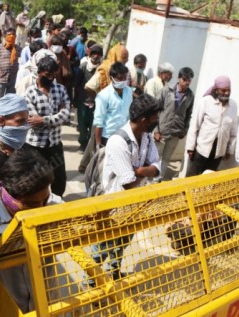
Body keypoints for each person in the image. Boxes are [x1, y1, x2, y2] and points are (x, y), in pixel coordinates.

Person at [0, 148, 62, 316]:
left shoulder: (50, 204)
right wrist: (12, 230)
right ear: (11, 198)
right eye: (33, 203)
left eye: (45, 199)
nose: (42, 208)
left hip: (42, 308)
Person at [90, 93, 161, 282]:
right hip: (114, 204)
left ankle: (113, 272)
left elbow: (157, 165)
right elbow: (128, 182)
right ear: (145, 120)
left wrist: (142, 170)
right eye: (155, 119)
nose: (157, 122)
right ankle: (90, 281)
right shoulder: (118, 141)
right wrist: (147, 171)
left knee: (123, 241)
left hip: (133, 204)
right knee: (103, 245)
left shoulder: (146, 137)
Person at [22, 57, 70, 197]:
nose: (51, 78)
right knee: (34, 181)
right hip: (35, 145)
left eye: (54, 75)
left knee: (59, 181)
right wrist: (56, 117)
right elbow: (33, 123)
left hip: (54, 144)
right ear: (40, 72)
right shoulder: (30, 92)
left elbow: (66, 115)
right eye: (48, 75)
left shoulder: (60, 89)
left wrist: (43, 120)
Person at [79, 44, 130, 172]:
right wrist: (99, 98)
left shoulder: (125, 76)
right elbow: (88, 86)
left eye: (127, 57)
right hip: (104, 119)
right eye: (124, 57)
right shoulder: (105, 70)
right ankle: (87, 167)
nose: (126, 60)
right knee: (96, 144)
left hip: (119, 129)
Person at [185, 75, 238, 177]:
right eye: (223, 90)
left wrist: (229, 149)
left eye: (228, 90)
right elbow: (194, 125)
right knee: (190, 178)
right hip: (201, 149)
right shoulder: (206, 102)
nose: (226, 93)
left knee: (208, 181)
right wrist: (190, 148)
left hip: (218, 152)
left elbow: (233, 131)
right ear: (216, 90)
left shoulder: (233, 105)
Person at [154, 67, 195, 181]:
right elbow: (155, 110)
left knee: (166, 158)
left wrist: (184, 130)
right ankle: (149, 182)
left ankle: (158, 180)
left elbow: (188, 115)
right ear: (179, 78)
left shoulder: (190, 96)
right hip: (162, 131)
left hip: (176, 133)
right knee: (155, 157)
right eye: (184, 79)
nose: (186, 82)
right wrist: (156, 130)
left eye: (189, 80)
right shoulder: (166, 90)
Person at [93, 62, 133, 150]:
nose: (123, 81)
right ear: (112, 78)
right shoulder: (103, 95)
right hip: (108, 136)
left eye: (124, 78)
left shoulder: (129, 92)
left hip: (124, 136)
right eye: (119, 78)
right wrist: (98, 144)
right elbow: (99, 121)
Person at [75, 44, 103, 152]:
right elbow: (77, 84)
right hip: (83, 100)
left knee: (93, 125)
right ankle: (82, 144)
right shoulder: (83, 66)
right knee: (82, 125)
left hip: (97, 102)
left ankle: (90, 147)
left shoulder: (102, 69)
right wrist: (75, 99)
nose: (96, 56)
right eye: (94, 53)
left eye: (98, 54)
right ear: (90, 54)